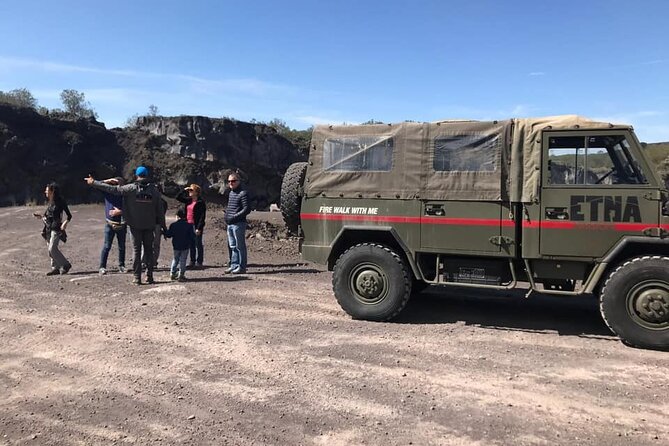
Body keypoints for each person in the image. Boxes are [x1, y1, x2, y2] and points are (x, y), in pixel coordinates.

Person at [85, 166, 166, 285]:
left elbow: (113, 190)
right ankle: (149, 276)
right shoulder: (154, 191)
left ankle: (137, 277)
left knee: (136, 251)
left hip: (135, 226)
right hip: (149, 226)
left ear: (137, 175)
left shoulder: (131, 188)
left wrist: (94, 183)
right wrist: (163, 226)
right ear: (147, 175)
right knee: (149, 251)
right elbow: (160, 210)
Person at [33, 182, 72, 275]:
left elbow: (69, 215)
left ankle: (66, 265)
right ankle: (55, 268)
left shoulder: (60, 201)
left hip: (56, 228)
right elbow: (48, 215)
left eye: (47, 190)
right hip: (48, 228)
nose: (45, 192)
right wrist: (41, 216)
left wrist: (65, 223)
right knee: (50, 250)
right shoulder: (50, 202)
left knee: (52, 248)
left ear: (52, 191)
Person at [98, 177, 127, 275]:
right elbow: (98, 184)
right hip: (109, 223)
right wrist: (107, 181)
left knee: (122, 246)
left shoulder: (125, 195)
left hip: (122, 224)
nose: (117, 186)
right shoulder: (108, 193)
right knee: (106, 246)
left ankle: (121, 265)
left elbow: (131, 208)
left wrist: (120, 212)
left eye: (119, 184)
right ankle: (102, 267)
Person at [224, 172, 250, 274]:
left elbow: (247, 209)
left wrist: (234, 217)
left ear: (238, 181)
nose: (231, 183)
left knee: (240, 246)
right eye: (229, 181)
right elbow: (231, 207)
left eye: (233, 181)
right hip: (230, 224)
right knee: (233, 246)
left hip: (238, 224)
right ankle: (234, 265)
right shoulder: (231, 193)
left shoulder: (243, 193)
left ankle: (242, 267)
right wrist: (227, 216)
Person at [176, 183, 207, 267]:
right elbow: (178, 197)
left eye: (191, 190)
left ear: (196, 192)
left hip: (196, 225)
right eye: (189, 190)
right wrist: (184, 190)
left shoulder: (200, 202)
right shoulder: (189, 200)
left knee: (198, 243)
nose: (189, 191)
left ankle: (199, 261)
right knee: (191, 244)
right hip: (188, 224)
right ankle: (192, 261)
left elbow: (202, 216)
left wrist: (199, 228)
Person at [164, 207, 195, 282]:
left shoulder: (173, 225)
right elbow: (192, 236)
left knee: (175, 259)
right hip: (185, 245)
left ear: (177, 216)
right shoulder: (189, 225)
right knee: (183, 260)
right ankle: (181, 275)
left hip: (176, 245)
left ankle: (172, 273)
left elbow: (169, 235)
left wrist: (163, 232)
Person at [143, 191, 167, 269]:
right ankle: (143, 261)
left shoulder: (163, 202)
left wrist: (163, 226)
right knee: (146, 243)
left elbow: (162, 216)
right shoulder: (148, 200)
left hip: (157, 224)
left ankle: (153, 261)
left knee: (155, 244)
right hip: (149, 223)